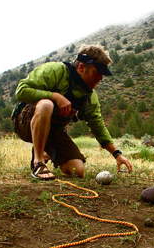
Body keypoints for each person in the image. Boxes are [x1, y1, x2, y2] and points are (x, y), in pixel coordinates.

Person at [12, 44, 132, 180]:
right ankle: (38, 163)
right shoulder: (55, 71)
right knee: (46, 104)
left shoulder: (89, 95)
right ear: (81, 67)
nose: (100, 78)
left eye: (102, 74)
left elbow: (97, 124)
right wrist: (55, 96)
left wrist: (117, 154)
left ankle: (46, 152)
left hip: (53, 130)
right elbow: (21, 91)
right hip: (26, 123)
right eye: (96, 72)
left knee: (77, 170)